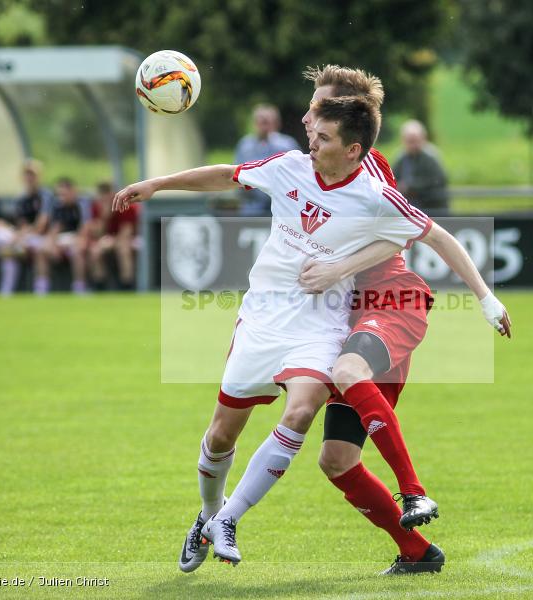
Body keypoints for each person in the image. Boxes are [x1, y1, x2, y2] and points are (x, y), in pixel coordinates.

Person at [114, 95, 509, 570]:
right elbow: (227, 174)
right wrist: (158, 183)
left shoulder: (374, 187)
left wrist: (486, 300)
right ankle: (209, 515)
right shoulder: (290, 166)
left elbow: (429, 234)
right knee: (224, 435)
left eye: (320, 131)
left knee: (302, 409)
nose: (308, 133)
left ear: (353, 149)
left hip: (325, 320)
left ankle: (232, 518)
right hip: (262, 316)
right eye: (311, 125)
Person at [297, 65, 511, 575]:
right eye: (311, 107)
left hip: (390, 304)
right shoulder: (308, 165)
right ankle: (417, 553)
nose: (308, 115)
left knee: (346, 375)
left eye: (319, 106)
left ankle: (415, 492)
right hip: (347, 317)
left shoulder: (368, 171)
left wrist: (486, 299)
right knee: (335, 460)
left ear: (348, 119)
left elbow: (418, 235)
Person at [0, 160, 54, 295]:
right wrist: (18, 236)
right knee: (0, 233)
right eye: (27, 174)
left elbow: (41, 225)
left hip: (43, 237)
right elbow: (20, 224)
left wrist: (20, 237)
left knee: (33, 250)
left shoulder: (45, 196)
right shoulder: (21, 199)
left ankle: (41, 290)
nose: (29, 178)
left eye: (32, 175)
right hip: (24, 237)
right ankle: (6, 290)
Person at [234, 104, 300, 216]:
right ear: (255, 123)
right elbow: (236, 174)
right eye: (261, 122)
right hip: (252, 206)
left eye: (267, 122)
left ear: (276, 124)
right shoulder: (245, 145)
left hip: (281, 205)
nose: (264, 127)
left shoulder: (287, 145)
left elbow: (297, 174)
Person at [36, 178, 91, 294]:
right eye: (60, 194)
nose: (62, 197)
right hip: (62, 240)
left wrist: (76, 242)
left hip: (76, 238)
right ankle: (42, 287)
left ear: (73, 191)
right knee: (41, 250)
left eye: (64, 193)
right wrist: (53, 245)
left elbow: (84, 228)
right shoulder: (57, 206)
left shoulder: (81, 204)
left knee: (77, 252)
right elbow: (55, 229)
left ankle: (79, 287)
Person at [392, 120, 450, 216]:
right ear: (403, 140)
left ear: (423, 139)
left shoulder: (431, 157)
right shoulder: (400, 158)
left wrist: (410, 187)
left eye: (415, 141)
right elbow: (392, 178)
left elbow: (438, 180)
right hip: (409, 209)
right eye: (410, 142)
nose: (413, 145)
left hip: (432, 208)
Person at [88, 182, 138, 291]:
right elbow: (97, 234)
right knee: (95, 250)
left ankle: (127, 286)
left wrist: (113, 241)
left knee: (123, 250)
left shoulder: (126, 205)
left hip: (128, 238)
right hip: (108, 239)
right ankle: (99, 286)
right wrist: (105, 216)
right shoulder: (97, 207)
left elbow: (127, 232)